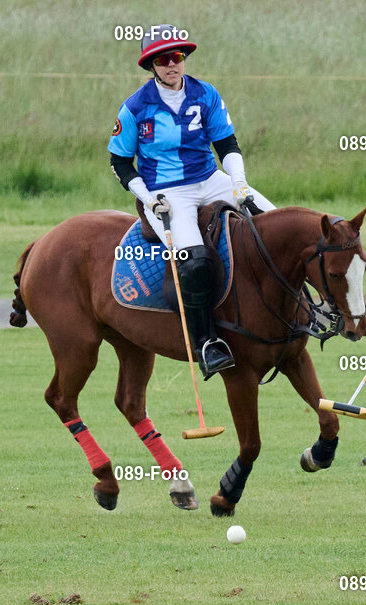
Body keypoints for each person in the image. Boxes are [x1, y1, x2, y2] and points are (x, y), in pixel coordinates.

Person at [108, 24, 275, 378]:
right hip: (168, 192)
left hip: (210, 179)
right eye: (163, 59)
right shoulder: (136, 108)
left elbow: (227, 145)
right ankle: (207, 343)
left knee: (274, 223)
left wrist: (240, 184)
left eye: (177, 56)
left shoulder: (206, 94)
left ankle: (299, 312)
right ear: (151, 65)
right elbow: (119, 162)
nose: (172, 64)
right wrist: (149, 199)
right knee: (194, 261)